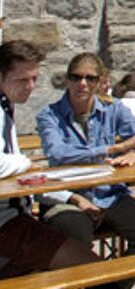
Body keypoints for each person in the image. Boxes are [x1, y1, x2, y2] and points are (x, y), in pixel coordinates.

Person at [37, 52, 135, 289]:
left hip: (108, 193)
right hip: (68, 195)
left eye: (90, 78)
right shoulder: (49, 115)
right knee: (77, 240)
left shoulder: (113, 109)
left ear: (100, 81)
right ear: (66, 80)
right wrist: (112, 148)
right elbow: (57, 153)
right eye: (75, 77)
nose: (82, 84)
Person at [0, 41, 115, 284]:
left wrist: (72, 198)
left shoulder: (5, 103)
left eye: (34, 79)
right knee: (96, 271)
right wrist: (25, 162)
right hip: (7, 225)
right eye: (22, 80)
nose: (30, 87)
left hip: (18, 217)